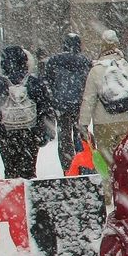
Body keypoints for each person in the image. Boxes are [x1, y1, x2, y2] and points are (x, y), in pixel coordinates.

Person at [78, 30, 128, 200]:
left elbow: (89, 98)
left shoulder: (96, 71)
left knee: (106, 161)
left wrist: (83, 123)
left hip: (103, 122)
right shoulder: (127, 67)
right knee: (127, 159)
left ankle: (107, 195)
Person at [0, 45, 53, 178]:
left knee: (10, 169)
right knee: (29, 169)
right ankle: (27, 186)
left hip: (6, 132)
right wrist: (45, 128)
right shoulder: (34, 81)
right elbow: (44, 106)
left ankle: (14, 188)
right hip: (30, 131)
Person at [42, 33, 92, 171]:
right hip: (80, 105)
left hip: (61, 106)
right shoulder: (85, 61)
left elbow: (48, 83)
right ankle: (83, 166)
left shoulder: (53, 61)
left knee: (64, 136)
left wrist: (53, 100)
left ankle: (68, 168)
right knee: (81, 135)